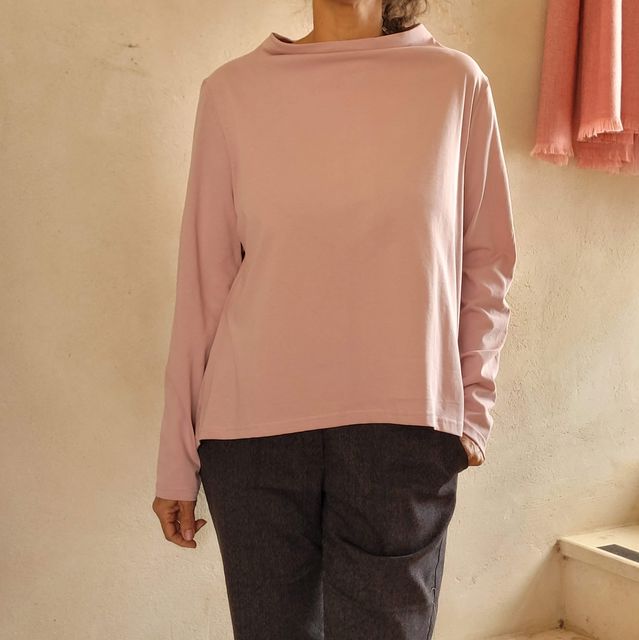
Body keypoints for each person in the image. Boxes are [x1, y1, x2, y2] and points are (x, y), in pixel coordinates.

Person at [152, 1, 517, 638]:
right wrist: (174, 460)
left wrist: (473, 408)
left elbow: (486, 261)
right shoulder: (233, 92)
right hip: (252, 437)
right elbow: (204, 283)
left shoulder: (455, 83)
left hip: (402, 435)